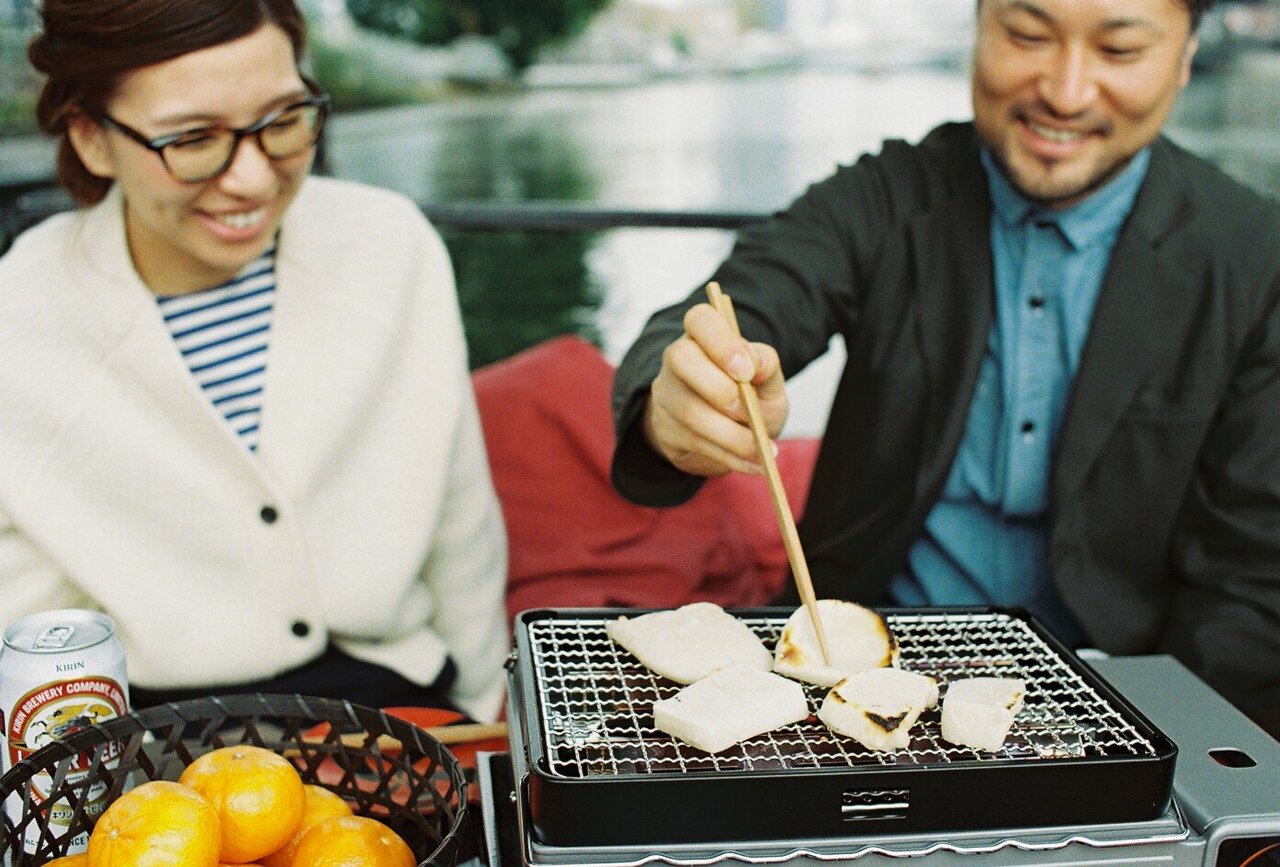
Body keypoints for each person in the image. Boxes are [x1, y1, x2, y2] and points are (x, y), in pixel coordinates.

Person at [611, 0, 1280, 738]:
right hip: (852, 691)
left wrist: (1157, 755)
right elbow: (731, 307)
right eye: (1027, 35)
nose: (1065, 90)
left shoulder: (1254, 260)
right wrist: (678, 395)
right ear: (979, 25)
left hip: (1113, 703)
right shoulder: (885, 196)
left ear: (1185, 58)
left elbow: (1249, 582)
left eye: (1119, 51)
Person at [0, 0, 508, 722]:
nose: (252, 179)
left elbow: (462, 523)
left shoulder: (391, 246)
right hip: (148, 726)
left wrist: (489, 708)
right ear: (92, 138)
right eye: (193, 139)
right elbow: (22, 618)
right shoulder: (17, 319)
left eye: (282, 121)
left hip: (394, 699)